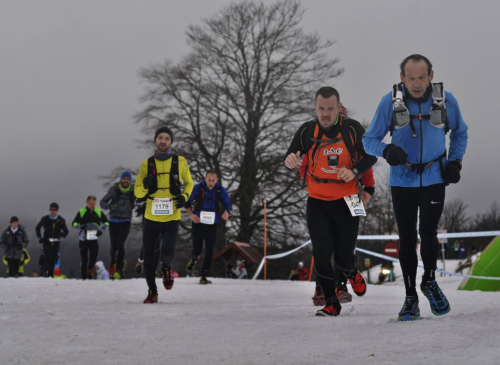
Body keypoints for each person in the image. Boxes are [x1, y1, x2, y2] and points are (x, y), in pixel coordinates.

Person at [363, 54, 468, 321]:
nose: (417, 83)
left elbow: (460, 132)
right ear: (402, 78)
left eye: (422, 77)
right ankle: (410, 298)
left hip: (434, 177)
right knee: (407, 238)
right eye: (411, 78)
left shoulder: (445, 100)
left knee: (429, 233)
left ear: (431, 76)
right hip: (402, 179)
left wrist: (454, 162)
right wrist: (387, 150)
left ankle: (429, 281)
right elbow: (368, 140)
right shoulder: (390, 102)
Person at [284, 87, 376, 317]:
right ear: (315, 106)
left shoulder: (352, 128)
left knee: (344, 257)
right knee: (322, 254)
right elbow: (291, 156)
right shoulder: (307, 130)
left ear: (338, 107)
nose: (325, 113)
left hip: (348, 200)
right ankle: (332, 302)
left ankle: (351, 271)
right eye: (321, 108)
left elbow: (372, 155)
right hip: (317, 202)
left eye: (330, 109)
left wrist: (354, 172)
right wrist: (290, 160)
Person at [135, 126, 194, 303]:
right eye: (160, 137)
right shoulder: (147, 164)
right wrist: (145, 185)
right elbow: (138, 192)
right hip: (151, 217)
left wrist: (184, 197)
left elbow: (190, 184)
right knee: (148, 255)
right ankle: (152, 291)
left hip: (172, 216)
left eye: (167, 138)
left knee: (167, 252)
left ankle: (166, 268)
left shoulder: (180, 161)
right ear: (155, 140)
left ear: (171, 142)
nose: (163, 141)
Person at [185, 170, 231, 285]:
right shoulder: (198, 188)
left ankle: (203, 276)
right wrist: (191, 215)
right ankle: (194, 259)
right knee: (197, 248)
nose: (211, 183)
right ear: (205, 178)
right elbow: (187, 203)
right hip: (198, 223)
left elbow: (227, 206)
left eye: (213, 180)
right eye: (209, 180)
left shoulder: (220, 190)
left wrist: (227, 213)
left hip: (212, 224)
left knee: (210, 251)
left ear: (217, 180)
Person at [100, 171, 135, 279]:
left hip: (126, 221)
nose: (126, 181)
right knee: (114, 247)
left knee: (120, 243)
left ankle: (118, 271)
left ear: (130, 181)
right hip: (114, 221)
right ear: (121, 180)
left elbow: (141, 201)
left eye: (128, 179)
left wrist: (140, 208)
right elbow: (102, 203)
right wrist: (110, 206)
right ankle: (113, 261)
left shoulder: (133, 191)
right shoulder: (114, 190)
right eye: (124, 179)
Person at [72, 195, 109, 280]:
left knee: (93, 258)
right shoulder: (82, 211)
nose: (92, 206)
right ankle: (84, 278)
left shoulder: (98, 212)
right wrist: (81, 227)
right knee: (84, 259)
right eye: (91, 204)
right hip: (83, 239)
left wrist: (101, 231)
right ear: (87, 202)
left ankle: (89, 268)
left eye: (94, 204)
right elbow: (74, 224)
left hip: (93, 238)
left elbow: (107, 223)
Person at [35, 202, 69, 277]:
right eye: (51, 209)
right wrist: (40, 238)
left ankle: (50, 275)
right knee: (48, 258)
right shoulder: (45, 218)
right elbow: (37, 227)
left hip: (56, 243)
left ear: (57, 210)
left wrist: (61, 234)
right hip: (47, 242)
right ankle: (43, 273)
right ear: (49, 210)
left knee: (53, 259)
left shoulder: (61, 220)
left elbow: (66, 232)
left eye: (54, 209)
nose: (53, 211)